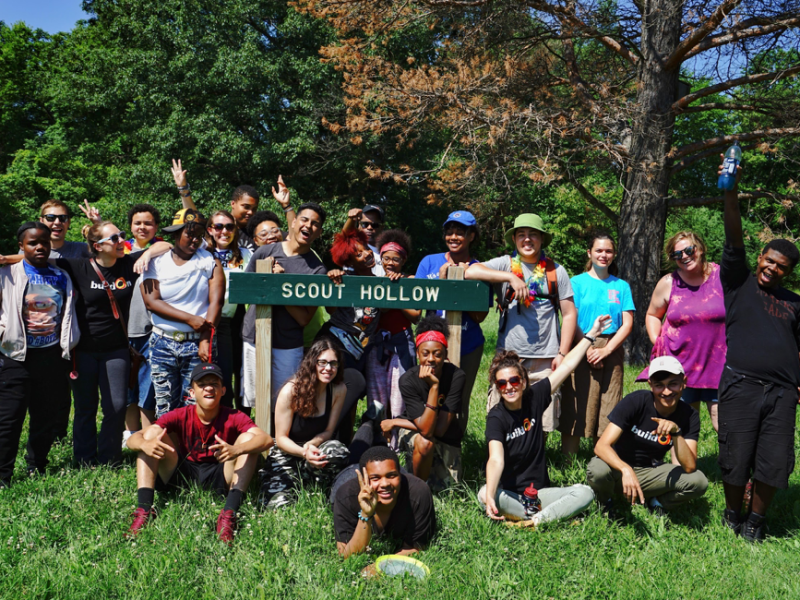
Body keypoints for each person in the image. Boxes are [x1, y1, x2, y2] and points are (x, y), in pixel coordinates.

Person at [717, 161, 800, 542]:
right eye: (768, 260)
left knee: (774, 460)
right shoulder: (738, 283)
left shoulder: (794, 303)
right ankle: (732, 516)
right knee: (735, 455)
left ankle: (756, 524)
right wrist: (730, 190)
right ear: (761, 256)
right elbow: (734, 237)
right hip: (741, 385)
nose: (771, 268)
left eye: (780, 267)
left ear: (788, 272)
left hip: (783, 394)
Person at [479, 314, 611, 525]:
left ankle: (534, 520)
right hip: (512, 495)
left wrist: (591, 335)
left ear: (523, 381)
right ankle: (551, 516)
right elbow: (495, 459)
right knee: (485, 492)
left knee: (585, 492)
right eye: (502, 383)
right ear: (497, 387)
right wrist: (490, 497)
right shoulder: (496, 417)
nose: (509, 387)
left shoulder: (535, 396)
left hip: (539, 494)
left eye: (514, 380)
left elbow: (567, 366)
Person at [126, 363, 271, 542]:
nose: (209, 388)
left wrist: (236, 449)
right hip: (183, 472)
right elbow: (133, 439)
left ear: (223, 390)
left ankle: (228, 514)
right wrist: (144, 444)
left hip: (220, 473)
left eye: (214, 384)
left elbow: (266, 440)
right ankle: (144, 510)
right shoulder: (180, 414)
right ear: (192, 393)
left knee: (249, 440)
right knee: (150, 434)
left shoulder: (234, 416)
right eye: (202, 385)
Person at [465, 213, 577, 445]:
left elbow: (569, 314)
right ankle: (504, 462)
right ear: (514, 239)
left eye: (533, 235)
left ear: (541, 240)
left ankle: (534, 463)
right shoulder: (505, 264)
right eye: (522, 235)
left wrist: (563, 354)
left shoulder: (556, 271)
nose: (527, 240)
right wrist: (510, 278)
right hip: (509, 356)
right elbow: (469, 271)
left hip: (545, 359)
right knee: (502, 412)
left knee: (542, 419)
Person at [0, 223, 79, 486]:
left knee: (45, 417)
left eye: (44, 242)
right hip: (15, 357)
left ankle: (37, 465)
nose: (40, 247)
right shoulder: (7, 274)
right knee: (9, 419)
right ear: (21, 246)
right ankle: (3, 475)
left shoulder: (61, 276)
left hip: (52, 356)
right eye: (33, 242)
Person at [586, 356, 708, 517]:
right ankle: (605, 502)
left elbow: (689, 467)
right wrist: (625, 469)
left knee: (698, 482)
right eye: (659, 385)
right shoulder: (636, 401)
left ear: (683, 382)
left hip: (650, 470)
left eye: (673, 383)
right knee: (597, 469)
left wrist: (676, 432)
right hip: (617, 467)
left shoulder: (689, 415)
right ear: (650, 385)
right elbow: (601, 446)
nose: (666, 391)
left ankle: (657, 503)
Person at [241, 202, 327, 412]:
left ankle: (278, 444)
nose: (308, 226)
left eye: (315, 224)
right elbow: (245, 292)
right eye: (305, 220)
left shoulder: (316, 270)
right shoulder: (265, 252)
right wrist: (265, 279)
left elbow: (304, 319)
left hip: (288, 344)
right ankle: (256, 443)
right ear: (294, 222)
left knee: (284, 402)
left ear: (319, 232)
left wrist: (280, 286)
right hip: (255, 337)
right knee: (254, 400)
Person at [638, 231, 726, 432]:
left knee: (723, 424)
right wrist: (657, 341)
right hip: (679, 365)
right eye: (677, 255)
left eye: (688, 250)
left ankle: (733, 465)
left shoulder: (721, 276)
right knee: (681, 426)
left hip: (718, 365)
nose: (684, 257)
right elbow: (652, 315)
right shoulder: (669, 282)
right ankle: (682, 465)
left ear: (700, 249)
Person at [142, 208, 225, 418]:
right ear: (177, 234)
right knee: (165, 405)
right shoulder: (155, 262)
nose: (195, 240)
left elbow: (217, 301)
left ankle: (193, 450)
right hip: (162, 342)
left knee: (195, 404)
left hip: (199, 343)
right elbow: (152, 301)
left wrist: (206, 337)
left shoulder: (209, 260)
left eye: (199, 235)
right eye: (189, 234)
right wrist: (190, 319)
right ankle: (170, 449)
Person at [560, 231, 634, 455]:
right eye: (599, 250)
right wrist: (589, 348)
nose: (604, 255)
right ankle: (568, 462)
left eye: (608, 251)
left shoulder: (621, 286)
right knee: (577, 403)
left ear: (614, 254)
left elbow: (628, 323)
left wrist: (607, 350)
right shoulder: (576, 283)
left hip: (613, 349)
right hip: (581, 344)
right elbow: (571, 318)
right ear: (589, 253)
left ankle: (600, 460)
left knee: (609, 404)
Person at [415, 211, 488, 433]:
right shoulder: (429, 262)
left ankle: (453, 454)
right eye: (450, 232)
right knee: (427, 395)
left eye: (460, 232)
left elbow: (480, 317)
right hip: (430, 347)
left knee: (458, 401)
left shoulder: (479, 268)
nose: (454, 237)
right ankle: (426, 447)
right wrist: (442, 282)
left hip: (468, 346)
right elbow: (416, 307)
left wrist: (462, 284)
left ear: (471, 236)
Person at [260, 339, 350, 509]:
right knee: (279, 508)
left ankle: (319, 489)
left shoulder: (338, 390)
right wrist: (303, 452)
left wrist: (311, 445)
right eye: (322, 362)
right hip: (287, 452)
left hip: (315, 450)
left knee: (338, 450)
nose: (328, 368)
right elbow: (280, 438)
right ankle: (290, 484)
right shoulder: (291, 391)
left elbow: (329, 430)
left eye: (333, 363)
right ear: (312, 363)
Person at [380, 315, 465, 492]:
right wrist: (434, 387)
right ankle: (418, 490)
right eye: (425, 353)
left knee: (450, 490)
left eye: (437, 354)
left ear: (445, 355)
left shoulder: (456, 376)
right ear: (417, 354)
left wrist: (395, 421)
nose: (431, 359)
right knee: (425, 443)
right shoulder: (408, 380)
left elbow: (440, 429)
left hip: (446, 435)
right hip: (416, 430)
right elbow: (426, 431)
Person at [333, 446, 435, 558]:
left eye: (391, 475)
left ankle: (377, 433)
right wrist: (365, 514)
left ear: (400, 475)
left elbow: (415, 548)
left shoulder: (418, 492)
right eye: (375, 478)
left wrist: (382, 565)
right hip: (346, 475)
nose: (385, 483)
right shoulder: (346, 496)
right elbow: (346, 554)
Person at [170, 158, 295, 250]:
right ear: (233, 204)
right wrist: (183, 189)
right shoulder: (218, 228)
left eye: (254, 208)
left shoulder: (259, 232)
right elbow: (195, 219)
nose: (250, 212)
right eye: (246, 207)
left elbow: (293, 238)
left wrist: (287, 206)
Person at [365, 229, 420, 425]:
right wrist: (387, 288)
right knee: (376, 397)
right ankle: (377, 438)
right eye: (386, 258)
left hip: (402, 343)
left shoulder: (411, 281)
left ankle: (397, 443)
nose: (390, 263)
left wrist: (397, 293)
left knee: (400, 396)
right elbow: (383, 310)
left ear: (403, 261)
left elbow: (415, 315)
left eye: (395, 259)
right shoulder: (376, 281)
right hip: (378, 343)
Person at [205, 210, 252, 410]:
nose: (224, 231)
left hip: (232, 320)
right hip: (202, 320)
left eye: (229, 227)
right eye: (218, 226)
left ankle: (235, 421)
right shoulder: (200, 252)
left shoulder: (245, 254)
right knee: (208, 374)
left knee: (229, 372)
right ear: (209, 229)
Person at [341, 205, 385, 276]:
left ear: (382, 227)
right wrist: (351, 219)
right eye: (365, 224)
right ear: (359, 225)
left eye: (375, 225)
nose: (369, 228)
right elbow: (344, 237)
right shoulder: (355, 247)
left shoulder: (389, 250)